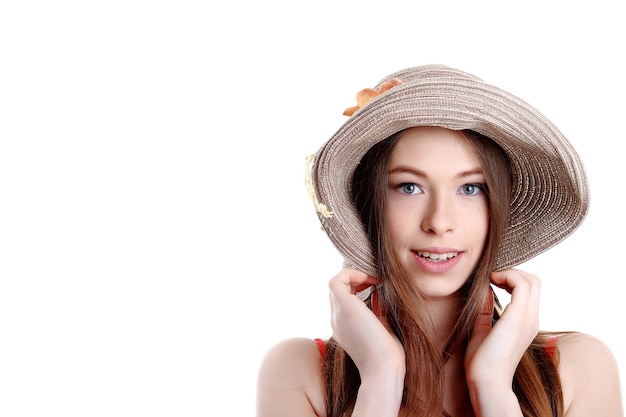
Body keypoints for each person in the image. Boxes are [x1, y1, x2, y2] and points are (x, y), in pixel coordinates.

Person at [255, 65, 623, 416]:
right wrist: (380, 381)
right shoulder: (299, 373)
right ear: (369, 205)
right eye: (409, 187)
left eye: (470, 187)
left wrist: (493, 386)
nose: (440, 222)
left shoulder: (576, 369)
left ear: (498, 206)